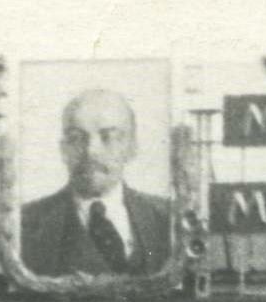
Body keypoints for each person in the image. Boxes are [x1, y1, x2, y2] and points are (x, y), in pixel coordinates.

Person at [20, 89, 175, 278]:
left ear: (132, 147)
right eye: (77, 138)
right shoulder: (23, 225)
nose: (91, 151)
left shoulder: (171, 219)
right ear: (63, 149)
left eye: (108, 136)